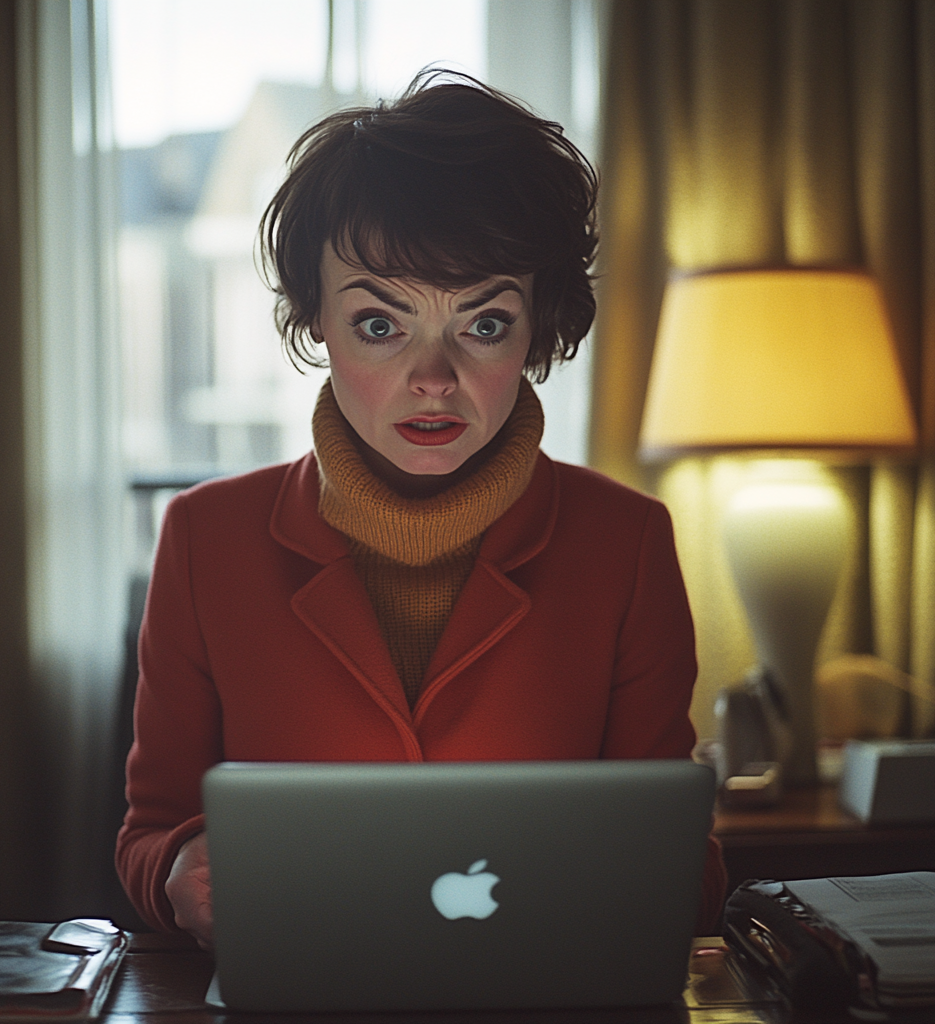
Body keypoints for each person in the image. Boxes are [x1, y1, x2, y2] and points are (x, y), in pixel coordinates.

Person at [116, 70, 727, 950]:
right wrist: (178, 870)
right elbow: (149, 834)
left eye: (483, 324)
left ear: (540, 326)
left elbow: (691, 871)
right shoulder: (206, 538)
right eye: (380, 324)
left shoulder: (625, 542)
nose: (432, 378)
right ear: (313, 319)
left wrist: (650, 878)